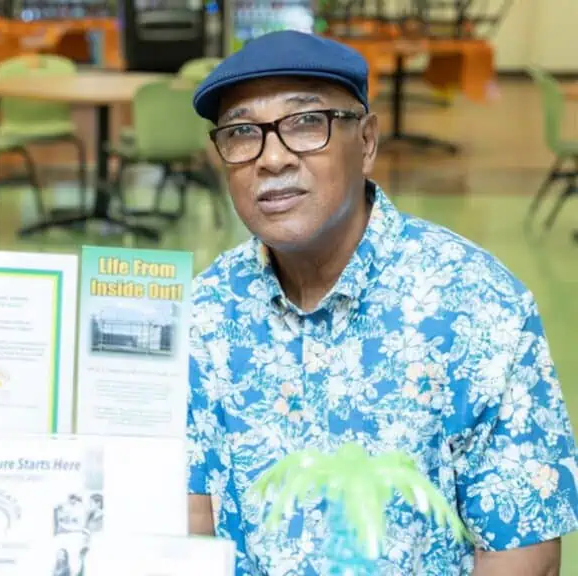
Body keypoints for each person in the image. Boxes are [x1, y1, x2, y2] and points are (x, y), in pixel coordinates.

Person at [185, 30, 578, 575]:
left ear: (366, 142)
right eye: (242, 132)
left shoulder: (477, 305)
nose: (271, 158)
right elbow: (187, 514)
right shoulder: (204, 311)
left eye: (305, 123)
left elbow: (521, 545)